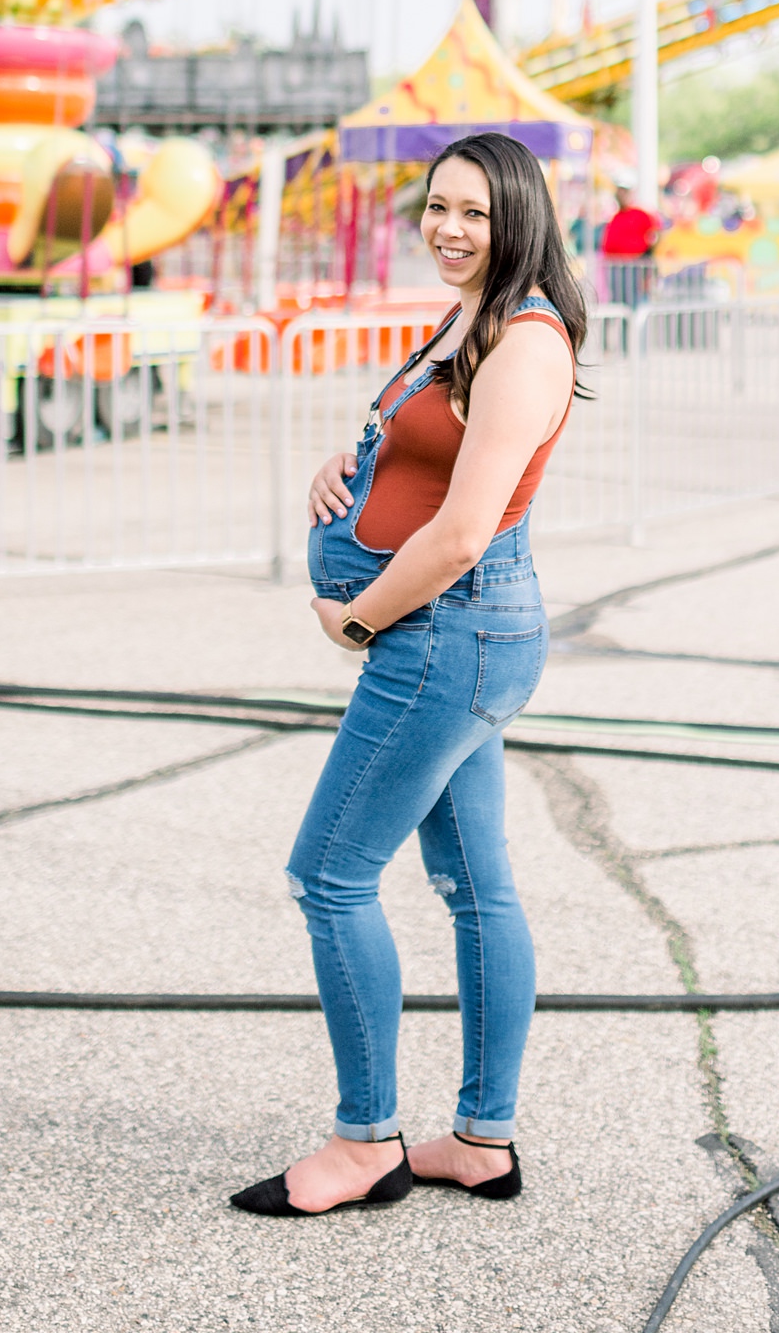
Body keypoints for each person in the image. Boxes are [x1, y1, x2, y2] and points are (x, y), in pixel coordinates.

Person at [229, 131, 587, 1218]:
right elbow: (422, 452)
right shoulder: (469, 315)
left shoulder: (523, 341)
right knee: (475, 889)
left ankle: (364, 1141)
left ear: (519, 216)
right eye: (437, 206)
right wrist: (351, 463)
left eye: (474, 212)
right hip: (454, 636)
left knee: (328, 877)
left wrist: (358, 621)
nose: (448, 227)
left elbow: (465, 532)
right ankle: (480, 1141)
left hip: (444, 633)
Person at [601, 180, 660, 306]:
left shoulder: (641, 215)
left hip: (635, 266)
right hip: (616, 266)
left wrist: (647, 255)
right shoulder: (615, 217)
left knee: (635, 300)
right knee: (618, 300)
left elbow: (655, 235)